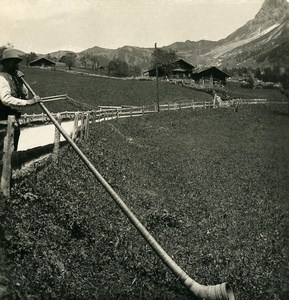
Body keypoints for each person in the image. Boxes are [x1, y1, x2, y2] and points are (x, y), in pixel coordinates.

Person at [0, 48, 40, 160]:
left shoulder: (14, 78)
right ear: (6, 63)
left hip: (14, 119)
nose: (17, 66)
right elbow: (5, 99)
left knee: (12, 149)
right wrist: (28, 103)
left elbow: (25, 95)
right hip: (3, 119)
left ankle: (9, 175)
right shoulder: (2, 78)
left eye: (17, 62)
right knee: (3, 151)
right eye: (14, 62)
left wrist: (21, 82)